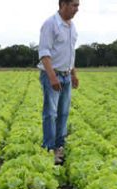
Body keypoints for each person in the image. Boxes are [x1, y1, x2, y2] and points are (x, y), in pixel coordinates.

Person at [38, 0, 79, 165]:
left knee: (63, 113)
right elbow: (44, 52)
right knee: (51, 113)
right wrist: (52, 77)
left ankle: (59, 146)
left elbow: (70, 53)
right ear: (63, 5)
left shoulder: (72, 27)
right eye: (74, 5)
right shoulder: (51, 24)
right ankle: (49, 148)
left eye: (78, 5)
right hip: (52, 75)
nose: (77, 9)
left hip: (67, 75)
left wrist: (74, 74)